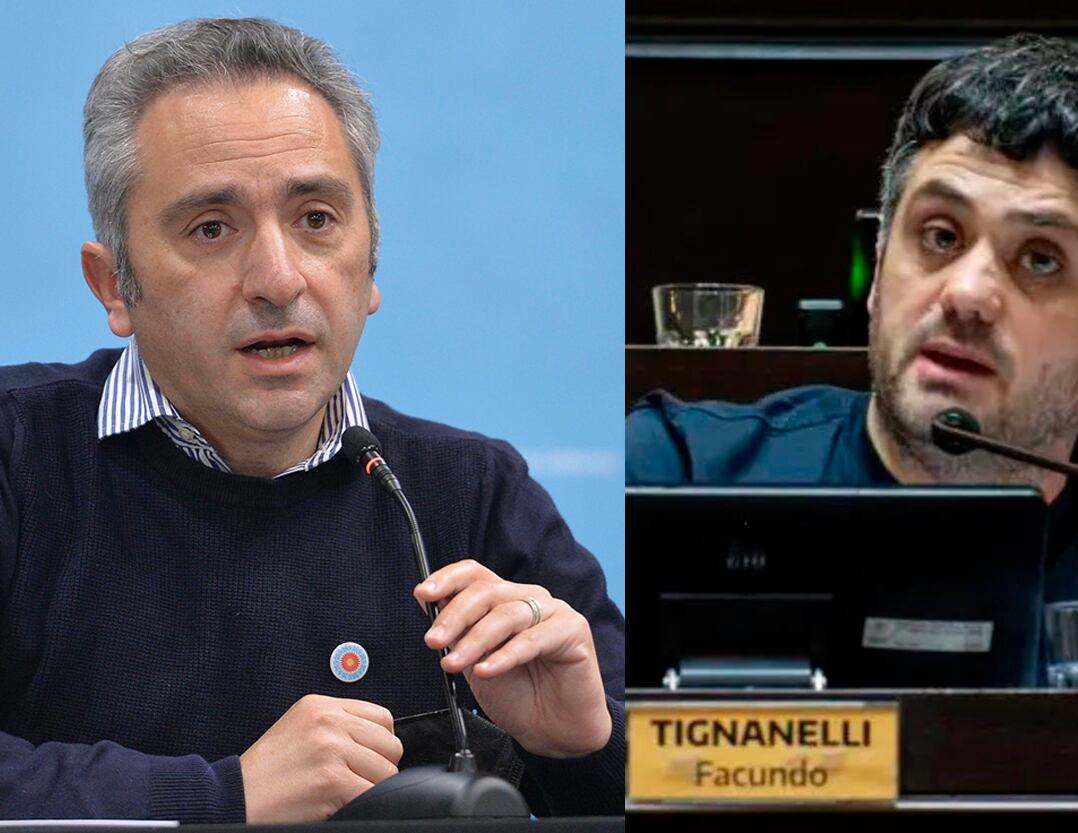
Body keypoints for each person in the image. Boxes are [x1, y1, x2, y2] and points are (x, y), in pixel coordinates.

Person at [0, 18, 622, 821]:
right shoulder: (19, 456)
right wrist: (225, 796)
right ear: (114, 283)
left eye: (317, 219)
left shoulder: (469, 491)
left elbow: (677, 773)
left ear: (370, 262)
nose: (277, 277)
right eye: (212, 228)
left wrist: (587, 748)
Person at [626, 34, 1078, 685]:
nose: (968, 295)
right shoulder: (674, 472)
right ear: (881, 266)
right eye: (940, 235)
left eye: (1040, 259)